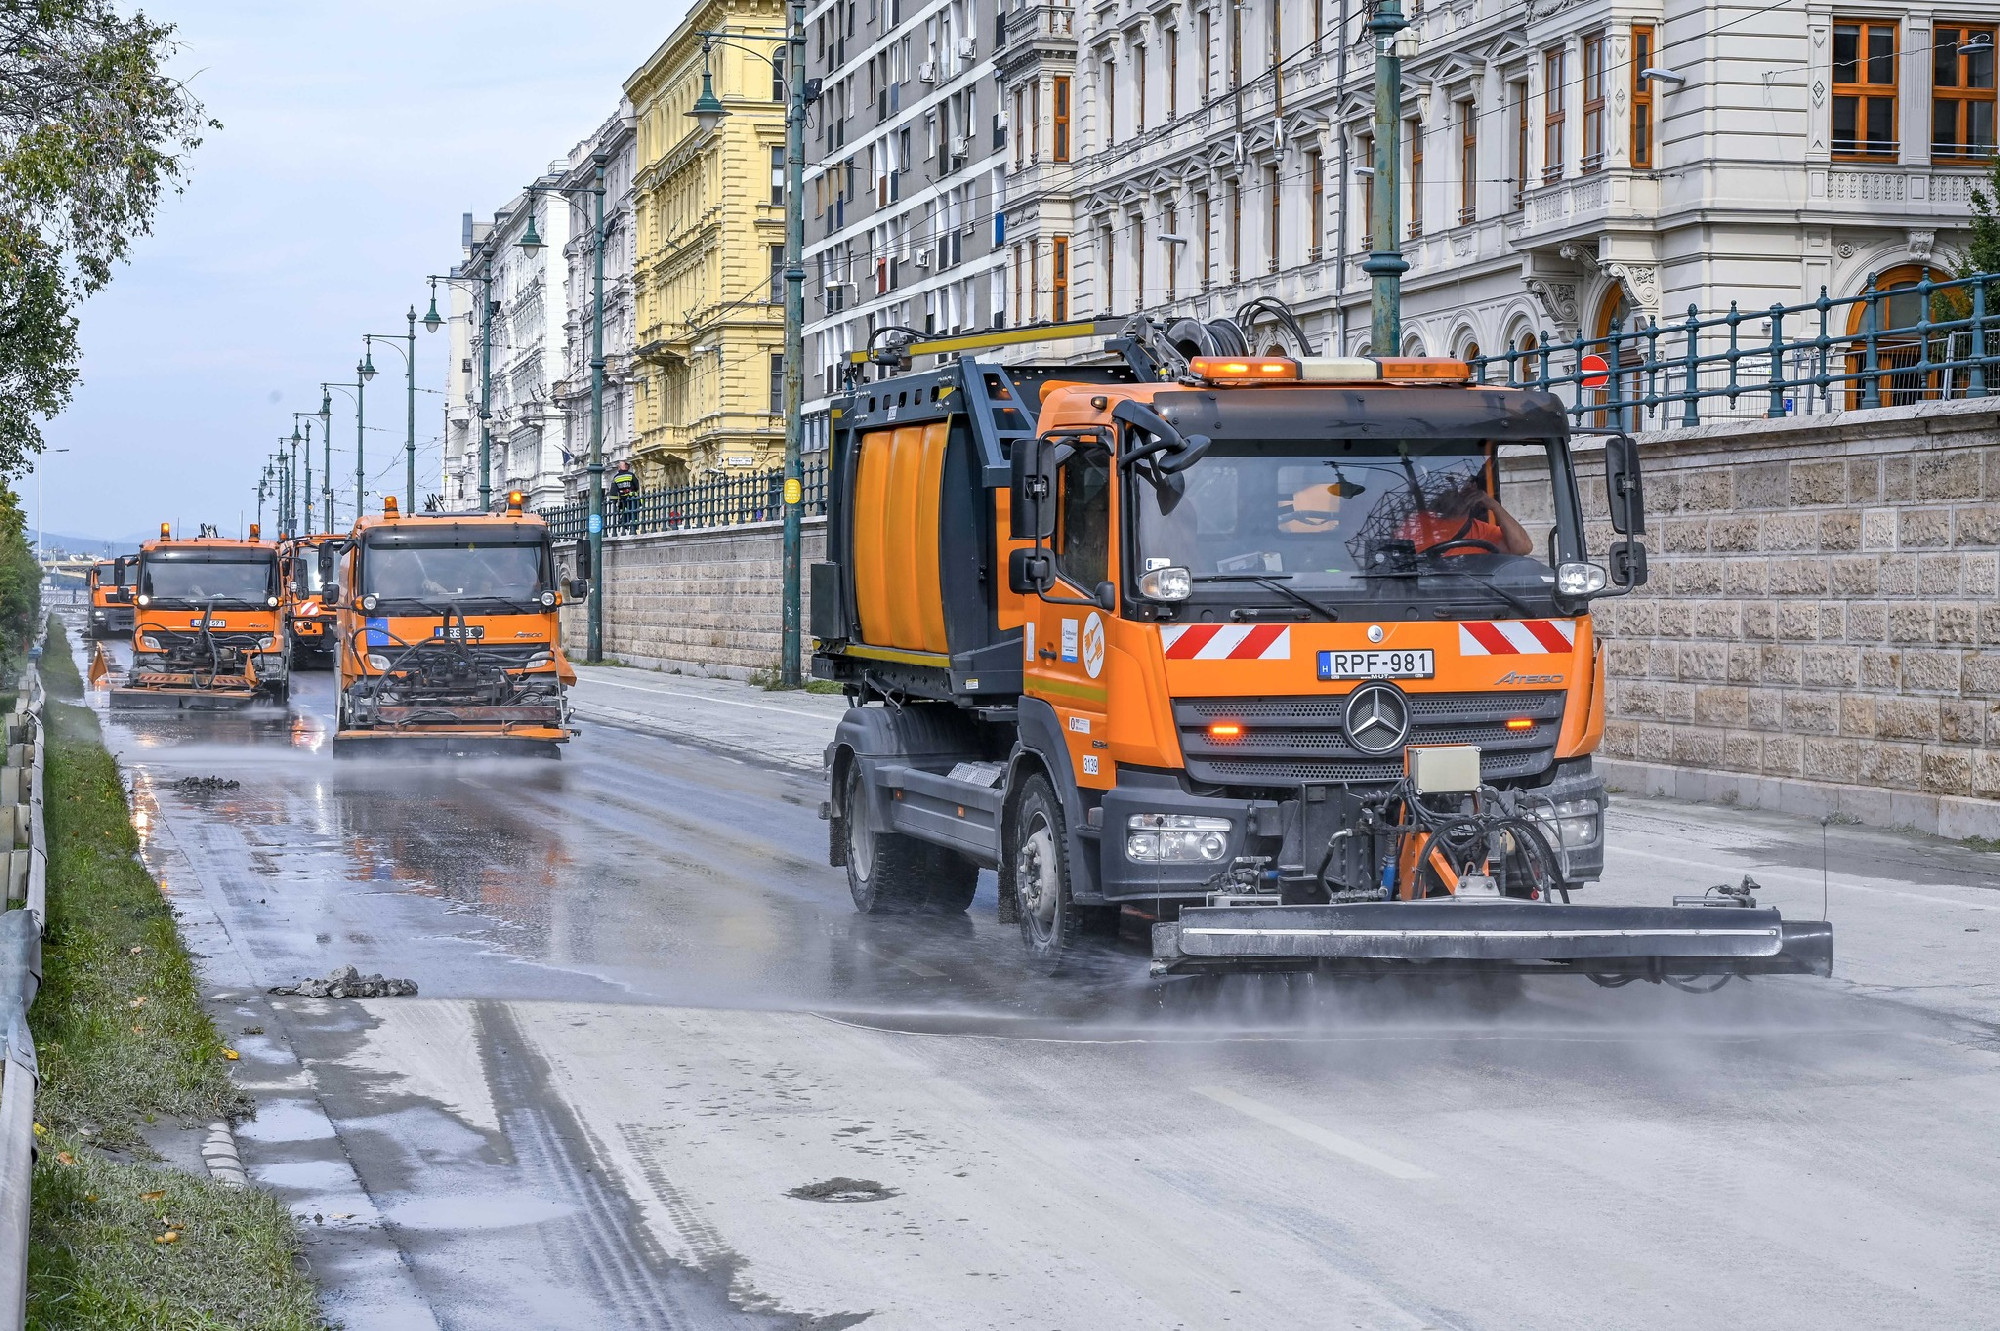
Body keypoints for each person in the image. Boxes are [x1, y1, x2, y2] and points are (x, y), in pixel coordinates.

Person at [1402, 473, 1534, 556]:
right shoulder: (1416, 524)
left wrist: (1494, 506)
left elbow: (1523, 548)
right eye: (1451, 488)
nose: (1457, 493)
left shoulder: (1483, 531)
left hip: (1471, 596)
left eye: (1462, 488)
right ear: (1440, 496)